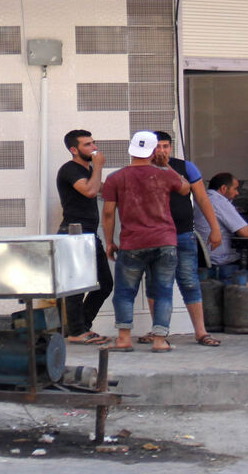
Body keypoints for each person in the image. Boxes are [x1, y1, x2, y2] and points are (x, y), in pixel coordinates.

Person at [101, 131, 191, 353]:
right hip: (165, 240)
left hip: (132, 243)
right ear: (153, 151)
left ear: (131, 149)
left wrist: (109, 241)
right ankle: (160, 340)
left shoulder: (115, 178)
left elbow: (109, 213)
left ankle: (123, 338)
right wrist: (166, 165)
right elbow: (185, 188)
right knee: (163, 291)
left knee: (124, 291)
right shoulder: (164, 175)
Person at [137, 132, 222, 347]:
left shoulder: (185, 167)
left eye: (166, 146)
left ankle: (201, 332)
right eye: (158, 147)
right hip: (153, 236)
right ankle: (159, 332)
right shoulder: (141, 168)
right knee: (155, 283)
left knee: (189, 281)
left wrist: (215, 228)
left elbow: (201, 198)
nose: (162, 151)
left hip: (183, 234)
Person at [55, 129, 113, 346]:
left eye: (93, 143)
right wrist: (98, 166)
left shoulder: (88, 171)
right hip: (74, 233)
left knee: (105, 284)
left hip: (89, 234)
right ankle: (77, 331)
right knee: (76, 286)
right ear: (74, 149)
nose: (94, 147)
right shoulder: (70, 170)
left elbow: (100, 189)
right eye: (87, 145)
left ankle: (81, 327)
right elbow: (90, 191)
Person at [195, 172, 248, 274]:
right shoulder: (219, 201)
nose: (237, 193)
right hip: (220, 259)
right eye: (235, 189)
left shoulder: (199, 200)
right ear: (223, 188)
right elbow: (246, 233)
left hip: (201, 258)